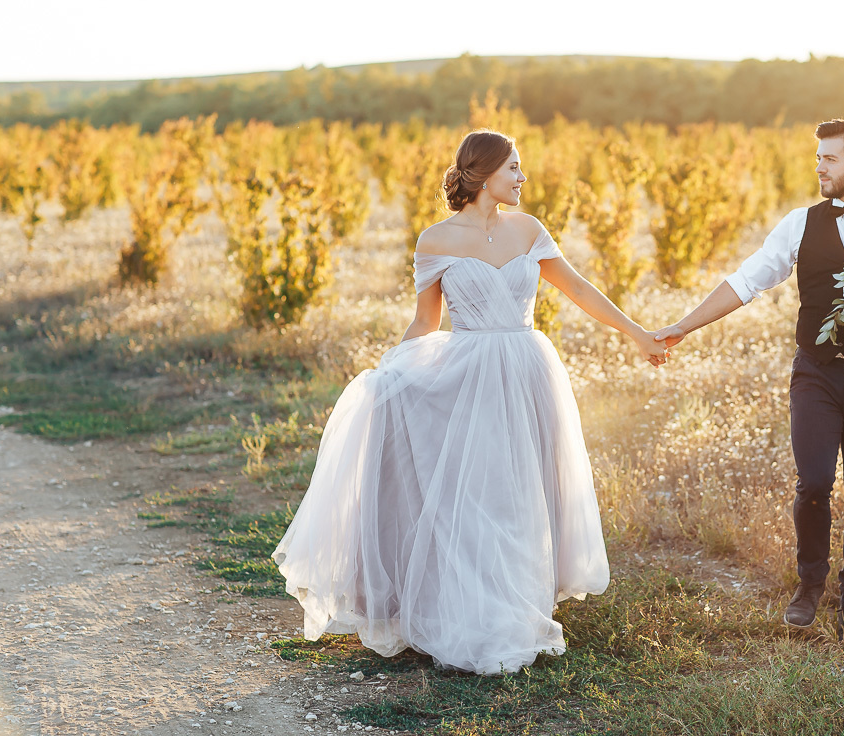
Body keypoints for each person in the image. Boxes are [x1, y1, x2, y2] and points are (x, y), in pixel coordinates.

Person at [274, 129, 667, 674]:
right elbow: (426, 321)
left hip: (529, 369)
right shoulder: (435, 241)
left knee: (521, 489)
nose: (523, 179)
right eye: (514, 169)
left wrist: (638, 334)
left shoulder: (529, 229)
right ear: (483, 175)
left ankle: (518, 601)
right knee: (479, 489)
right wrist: (392, 373)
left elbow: (579, 290)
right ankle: (474, 610)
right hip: (469, 373)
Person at [654, 119, 844, 639]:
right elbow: (746, 281)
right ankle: (810, 584)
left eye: (829, 158)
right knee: (813, 483)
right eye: (818, 158)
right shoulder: (798, 223)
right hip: (814, 374)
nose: (818, 166)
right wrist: (682, 325)